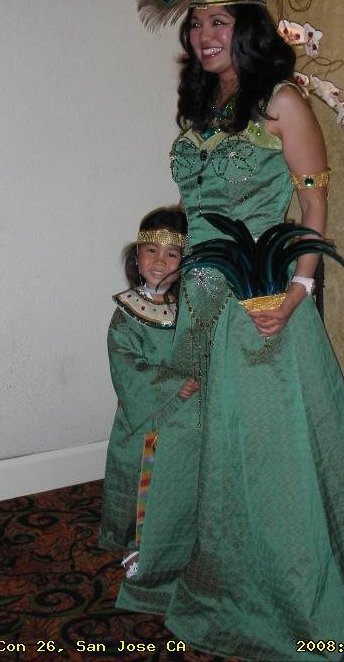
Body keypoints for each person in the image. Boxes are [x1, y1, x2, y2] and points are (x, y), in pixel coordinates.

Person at [117, 0, 344, 662]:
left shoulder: (282, 100)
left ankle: (289, 595)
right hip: (200, 297)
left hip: (259, 297)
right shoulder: (204, 103)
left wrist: (299, 291)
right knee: (208, 440)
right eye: (196, 23)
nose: (203, 36)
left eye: (219, 22)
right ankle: (216, 572)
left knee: (269, 450)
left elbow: (313, 205)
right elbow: (199, 208)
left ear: (249, 27)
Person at [98, 206, 198, 580]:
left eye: (172, 254)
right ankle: (137, 544)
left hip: (185, 416)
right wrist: (174, 384)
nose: (160, 262)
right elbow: (125, 364)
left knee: (179, 480)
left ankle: (179, 541)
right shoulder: (126, 313)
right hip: (145, 417)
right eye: (151, 251)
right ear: (137, 256)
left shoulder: (187, 310)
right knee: (143, 479)